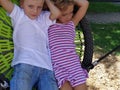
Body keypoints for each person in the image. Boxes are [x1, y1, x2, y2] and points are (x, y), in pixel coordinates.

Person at [0, 0, 61, 90]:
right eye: (30, 6)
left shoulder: (44, 17)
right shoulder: (19, 14)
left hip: (46, 67)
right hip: (26, 63)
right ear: (22, 4)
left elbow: (57, 13)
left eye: (39, 7)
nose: (35, 11)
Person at [48, 0, 89, 90]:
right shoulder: (48, 24)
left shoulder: (72, 23)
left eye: (71, 12)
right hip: (58, 67)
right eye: (64, 14)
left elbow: (85, 4)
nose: (69, 16)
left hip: (73, 65)